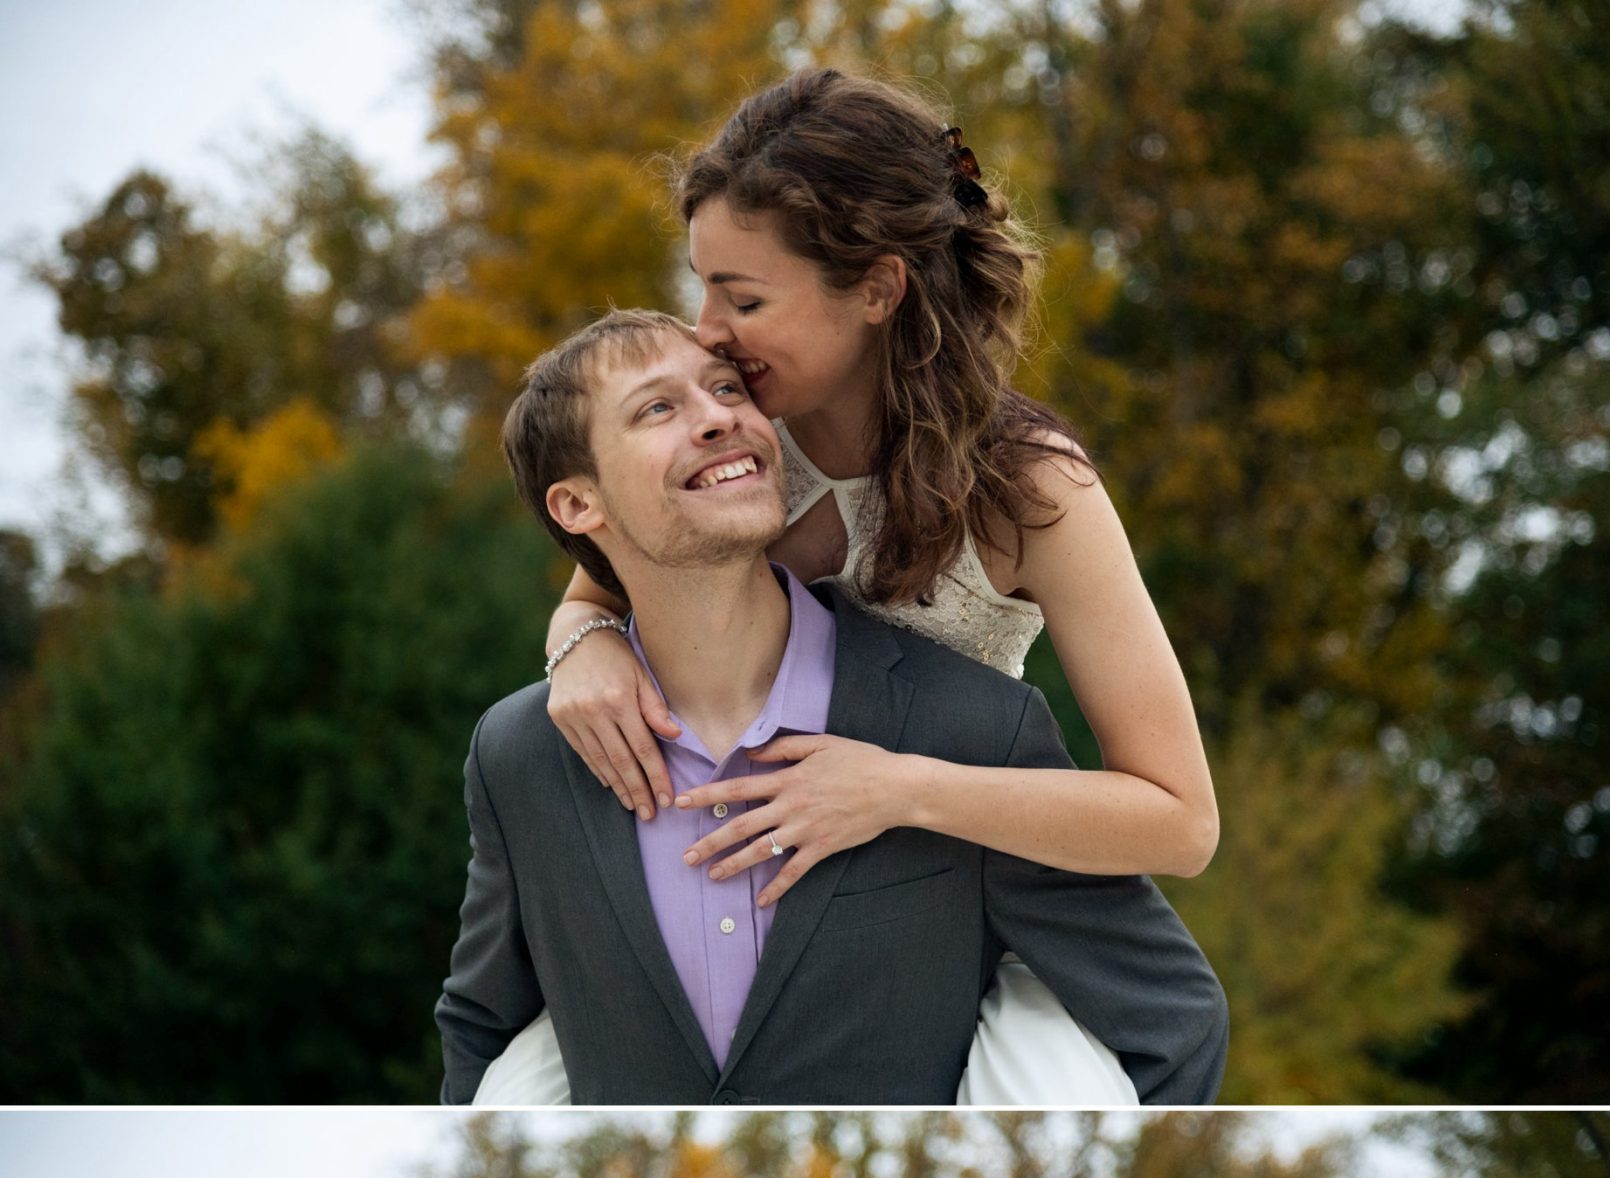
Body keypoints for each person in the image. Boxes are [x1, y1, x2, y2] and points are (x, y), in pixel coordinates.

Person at [474, 67, 1220, 1108]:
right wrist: (578, 645)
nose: (704, 332)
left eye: (742, 298)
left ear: (875, 289)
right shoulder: (733, 443)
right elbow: (608, 576)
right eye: (700, 286)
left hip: (942, 902)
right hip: (745, 898)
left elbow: (1179, 821)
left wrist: (900, 788)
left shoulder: (1030, 487)